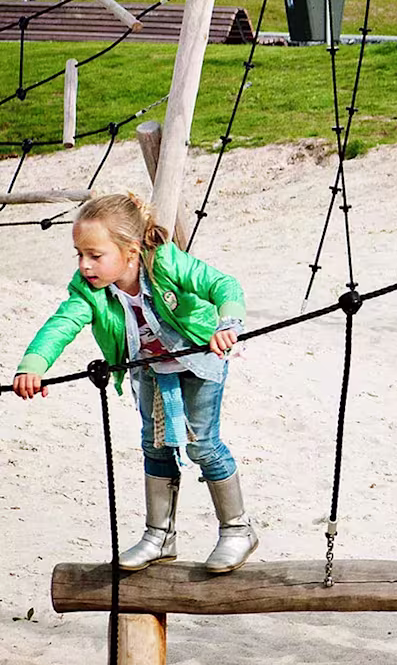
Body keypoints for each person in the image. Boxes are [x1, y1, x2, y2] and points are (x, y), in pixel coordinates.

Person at [12, 193, 258, 574]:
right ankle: (160, 536)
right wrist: (34, 365)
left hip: (199, 360)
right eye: (79, 254)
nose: (85, 265)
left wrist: (228, 323)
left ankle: (237, 529)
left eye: (95, 255)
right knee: (154, 447)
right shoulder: (87, 290)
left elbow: (223, 285)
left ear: (130, 251)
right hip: (151, 370)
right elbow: (61, 325)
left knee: (203, 445)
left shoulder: (165, 262)